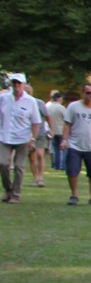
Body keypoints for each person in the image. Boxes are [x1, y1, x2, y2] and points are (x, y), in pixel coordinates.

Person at [61, 81, 91, 205]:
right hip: (74, 145)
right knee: (72, 171)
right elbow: (67, 124)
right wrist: (64, 140)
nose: (90, 95)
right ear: (82, 93)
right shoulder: (73, 106)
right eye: (88, 93)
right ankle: (74, 195)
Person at [0, 72, 43, 202]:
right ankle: (8, 189)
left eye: (19, 83)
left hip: (23, 138)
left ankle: (16, 194)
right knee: (3, 163)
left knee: (19, 166)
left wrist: (33, 139)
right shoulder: (4, 98)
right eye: (14, 83)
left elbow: (36, 122)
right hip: (5, 136)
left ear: (24, 85)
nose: (16, 86)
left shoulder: (31, 101)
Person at [26, 84, 48, 186]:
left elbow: (48, 116)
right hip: (27, 134)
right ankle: (36, 178)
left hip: (40, 133)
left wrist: (51, 130)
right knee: (32, 157)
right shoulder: (22, 103)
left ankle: (40, 177)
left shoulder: (39, 103)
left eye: (28, 92)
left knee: (40, 155)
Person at [45, 90, 68, 171]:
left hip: (52, 131)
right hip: (61, 131)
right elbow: (67, 119)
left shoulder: (48, 107)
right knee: (64, 149)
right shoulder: (61, 108)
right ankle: (63, 165)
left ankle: (56, 165)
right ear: (59, 98)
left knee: (55, 150)